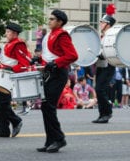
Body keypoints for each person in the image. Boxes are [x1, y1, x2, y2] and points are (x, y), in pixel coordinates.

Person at [34, 9, 78, 153]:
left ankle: (59, 139)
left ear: (60, 22)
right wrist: (38, 59)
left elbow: (72, 55)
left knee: (49, 106)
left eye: (53, 19)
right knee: (45, 106)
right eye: (50, 18)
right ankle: (50, 140)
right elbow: (49, 55)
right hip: (50, 72)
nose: (50, 20)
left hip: (58, 74)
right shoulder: (49, 35)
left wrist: (57, 63)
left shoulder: (62, 35)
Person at [0, 22, 30, 138]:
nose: (6, 34)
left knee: (3, 103)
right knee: (1, 103)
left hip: (9, 75)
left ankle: (16, 121)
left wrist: (11, 69)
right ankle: (3, 130)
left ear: (14, 33)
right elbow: (7, 60)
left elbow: (24, 64)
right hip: (3, 75)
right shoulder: (9, 44)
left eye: (8, 32)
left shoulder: (18, 44)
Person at [92, 4, 116, 123]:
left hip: (108, 64)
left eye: (103, 22)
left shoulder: (112, 36)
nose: (100, 24)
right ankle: (102, 114)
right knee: (98, 89)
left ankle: (107, 112)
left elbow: (113, 50)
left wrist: (103, 54)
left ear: (108, 24)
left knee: (100, 89)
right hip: (101, 64)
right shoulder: (102, 35)